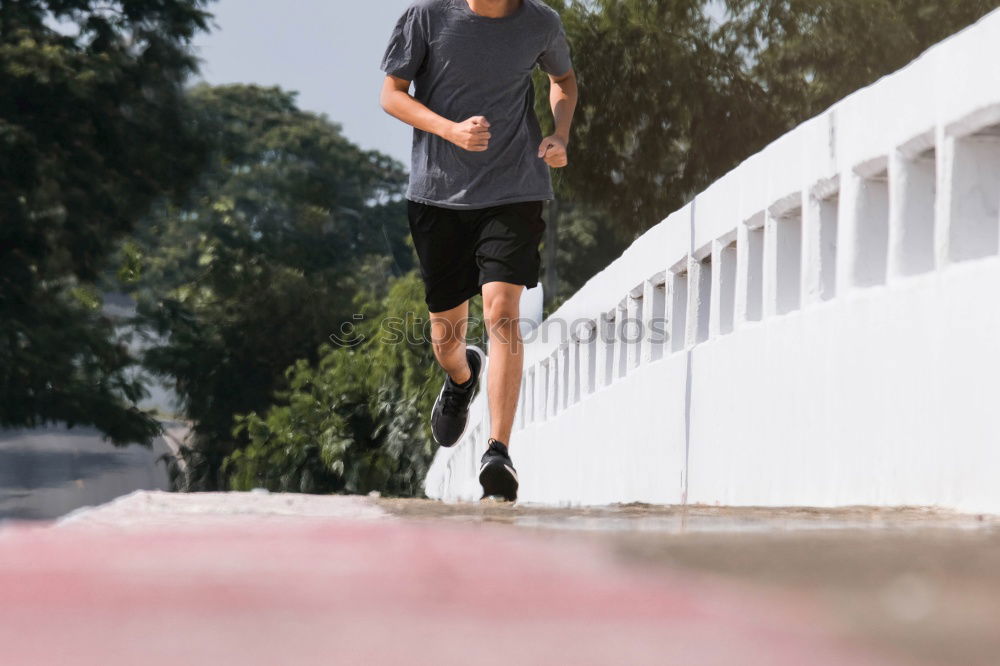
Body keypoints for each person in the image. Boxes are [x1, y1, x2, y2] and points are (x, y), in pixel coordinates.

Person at [379, 0, 577, 501]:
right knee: (446, 336)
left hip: (514, 191)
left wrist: (559, 134)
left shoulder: (540, 22)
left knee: (502, 312)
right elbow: (391, 95)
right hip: (437, 196)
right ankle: (461, 377)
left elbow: (564, 81)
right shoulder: (426, 18)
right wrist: (449, 129)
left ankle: (498, 452)